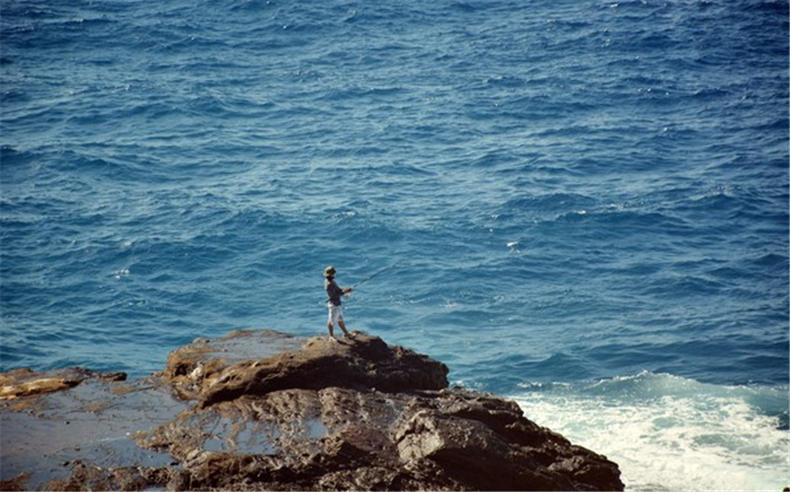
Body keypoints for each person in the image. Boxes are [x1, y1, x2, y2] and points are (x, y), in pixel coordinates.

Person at [324, 265, 353, 339]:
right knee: (331, 321)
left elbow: (338, 290)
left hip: (337, 304)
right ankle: (331, 336)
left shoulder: (331, 281)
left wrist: (346, 290)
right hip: (334, 305)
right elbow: (336, 294)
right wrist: (346, 291)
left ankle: (346, 333)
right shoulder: (329, 284)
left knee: (340, 320)